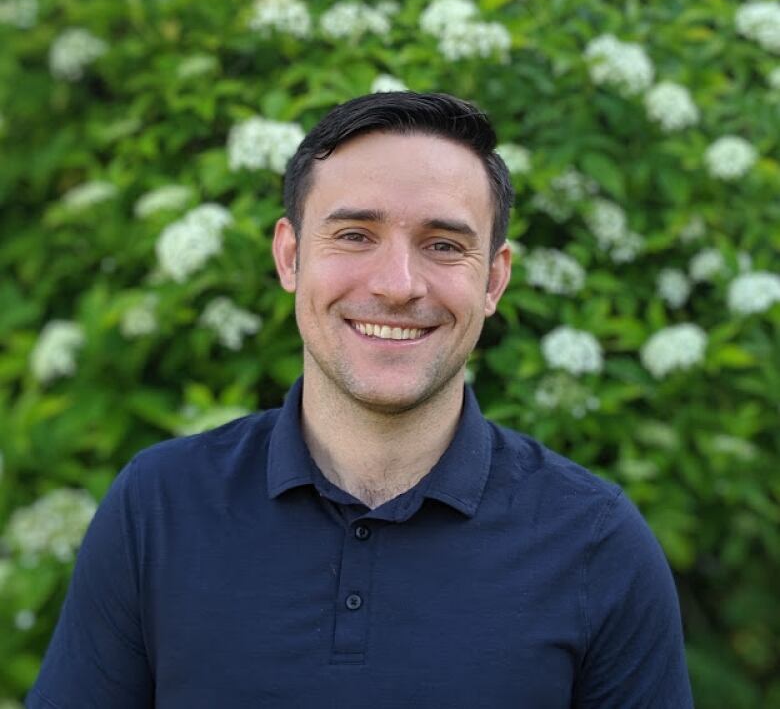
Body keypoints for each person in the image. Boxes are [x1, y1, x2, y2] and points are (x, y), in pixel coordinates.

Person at [28, 92, 694, 708]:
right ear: (289, 257)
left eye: (443, 245)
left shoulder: (597, 544)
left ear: (494, 279)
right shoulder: (159, 507)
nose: (399, 284)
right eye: (354, 236)